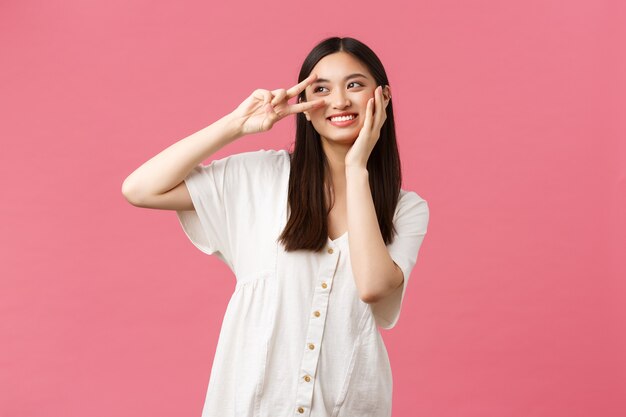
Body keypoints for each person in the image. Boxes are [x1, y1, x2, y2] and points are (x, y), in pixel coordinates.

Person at [122, 36, 429, 417]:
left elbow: (372, 287)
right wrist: (237, 124)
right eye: (320, 89)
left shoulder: (406, 209)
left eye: (354, 85)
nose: (338, 101)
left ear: (382, 97)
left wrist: (356, 167)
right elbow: (139, 189)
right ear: (303, 107)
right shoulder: (260, 177)